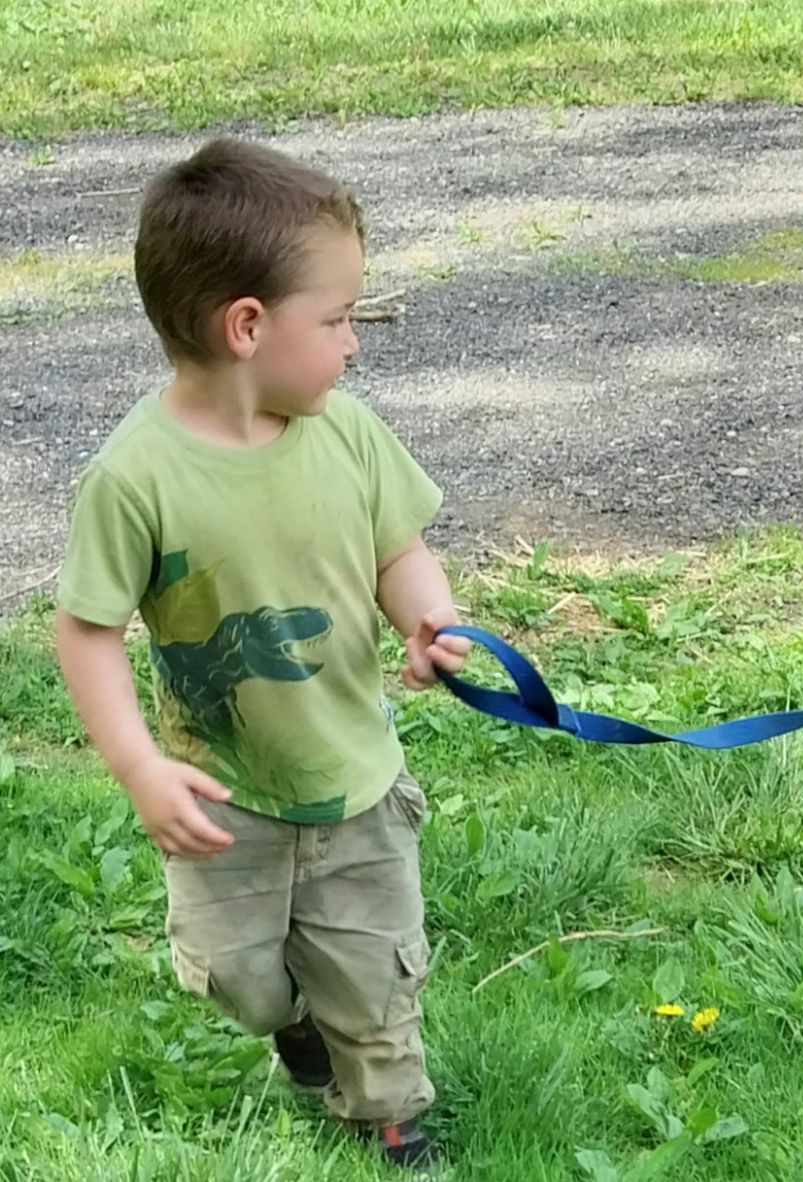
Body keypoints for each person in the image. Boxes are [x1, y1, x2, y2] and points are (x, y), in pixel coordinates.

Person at [53, 136, 470, 1174]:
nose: (353, 346)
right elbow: (87, 628)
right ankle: (292, 1027)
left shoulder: (349, 435)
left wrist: (431, 621)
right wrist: (140, 766)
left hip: (355, 781)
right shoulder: (135, 479)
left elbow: (400, 550)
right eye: (335, 321)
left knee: (373, 975)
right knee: (238, 977)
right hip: (226, 798)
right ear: (247, 326)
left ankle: (389, 1112)